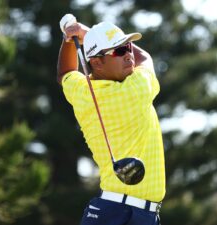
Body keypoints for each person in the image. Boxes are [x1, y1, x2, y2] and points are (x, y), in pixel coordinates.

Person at [57, 19, 166, 225]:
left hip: (109, 212)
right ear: (96, 62)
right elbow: (145, 57)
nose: (128, 54)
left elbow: (65, 73)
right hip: (124, 215)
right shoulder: (137, 89)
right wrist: (84, 33)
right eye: (119, 51)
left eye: (127, 46)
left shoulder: (83, 93)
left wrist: (69, 40)